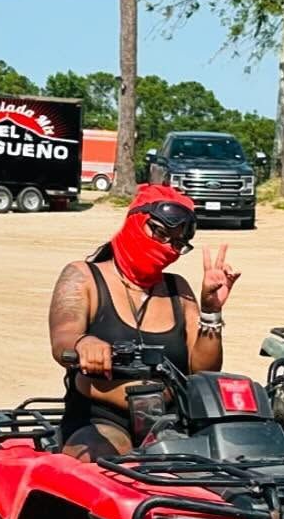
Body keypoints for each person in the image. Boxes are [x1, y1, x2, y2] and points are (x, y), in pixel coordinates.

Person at [48, 183, 241, 460]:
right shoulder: (84, 276)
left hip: (171, 420)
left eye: (176, 243)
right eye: (160, 233)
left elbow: (203, 370)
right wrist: (83, 343)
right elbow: (63, 336)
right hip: (101, 418)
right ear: (136, 221)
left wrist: (211, 310)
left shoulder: (178, 289)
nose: (166, 247)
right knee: (107, 462)